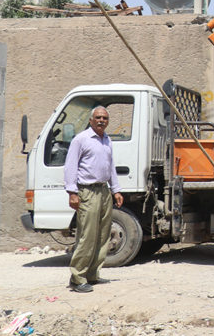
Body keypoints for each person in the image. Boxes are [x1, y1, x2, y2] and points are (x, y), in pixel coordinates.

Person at [64, 106, 123, 293]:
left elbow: (110, 166)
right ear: (91, 120)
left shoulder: (107, 140)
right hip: (87, 192)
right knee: (87, 235)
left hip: (104, 191)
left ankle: (93, 274)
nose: (101, 120)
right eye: (98, 117)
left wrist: (116, 190)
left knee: (102, 234)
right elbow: (70, 166)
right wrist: (72, 192)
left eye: (105, 118)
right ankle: (77, 277)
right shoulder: (81, 139)